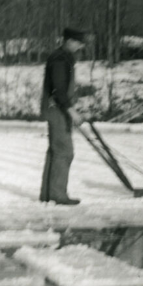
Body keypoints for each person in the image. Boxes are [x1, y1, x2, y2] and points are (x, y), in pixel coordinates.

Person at [39, 27, 87, 205]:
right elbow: (58, 90)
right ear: (69, 41)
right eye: (78, 42)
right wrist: (72, 111)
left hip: (57, 109)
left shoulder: (62, 57)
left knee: (55, 151)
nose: (80, 46)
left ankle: (48, 194)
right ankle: (58, 194)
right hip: (57, 110)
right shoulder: (60, 59)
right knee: (64, 151)